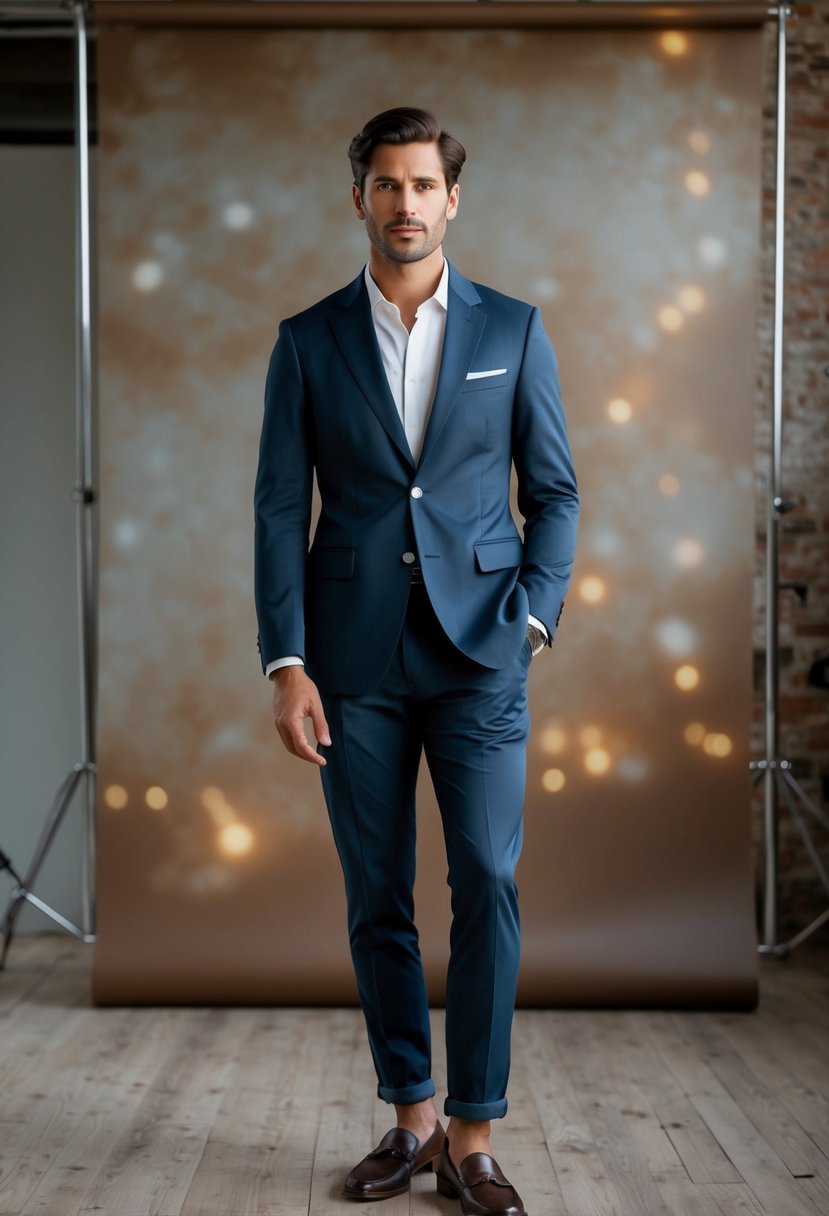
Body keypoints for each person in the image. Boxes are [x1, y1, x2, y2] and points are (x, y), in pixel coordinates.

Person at [254, 107, 579, 1216]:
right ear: (360, 199)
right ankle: (411, 1119)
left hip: (482, 653)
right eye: (385, 185)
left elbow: (557, 493)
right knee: (375, 894)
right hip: (350, 664)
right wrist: (286, 663)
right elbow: (273, 512)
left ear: (453, 198)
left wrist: (532, 618)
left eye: (422, 185)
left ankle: (474, 1140)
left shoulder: (513, 331)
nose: (405, 204)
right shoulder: (307, 339)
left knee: (486, 879)